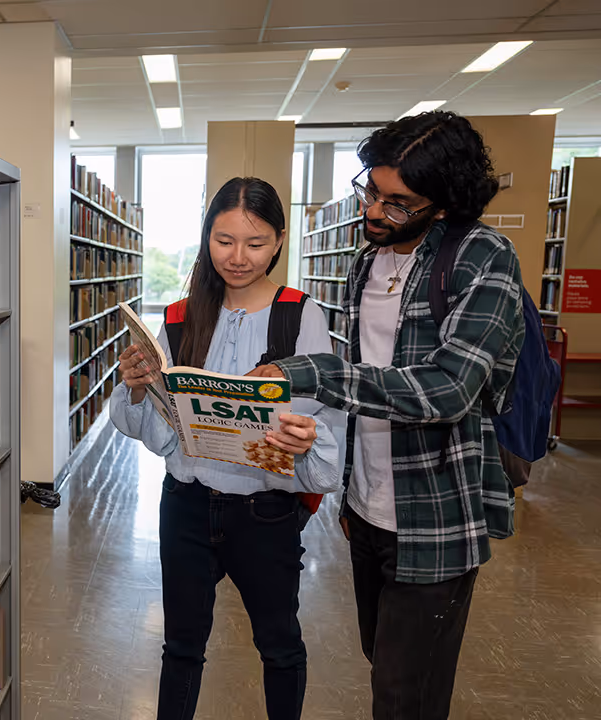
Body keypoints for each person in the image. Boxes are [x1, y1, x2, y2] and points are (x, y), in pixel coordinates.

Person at [249, 111, 525, 719]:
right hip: (368, 511)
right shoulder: (365, 263)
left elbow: (448, 390)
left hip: (435, 514)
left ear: (445, 204)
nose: (375, 211)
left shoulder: (484, 258)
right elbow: (366, 381)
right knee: (383, 661)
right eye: (371, 190)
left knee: (405, 696)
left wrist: (311, 370)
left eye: (398, 203)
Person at [111, 177, 346, 720]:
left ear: (280, 241)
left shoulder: (301, 315)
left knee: (280, 645)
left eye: (256, 243)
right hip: (187, 505)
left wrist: (305, 439)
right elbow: (161, 431)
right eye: (223, 241)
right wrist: (139, 387)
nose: (238, 258)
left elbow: (327, 424)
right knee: (181, 646)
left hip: (266, 512)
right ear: (206, 237)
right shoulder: (177, 316)